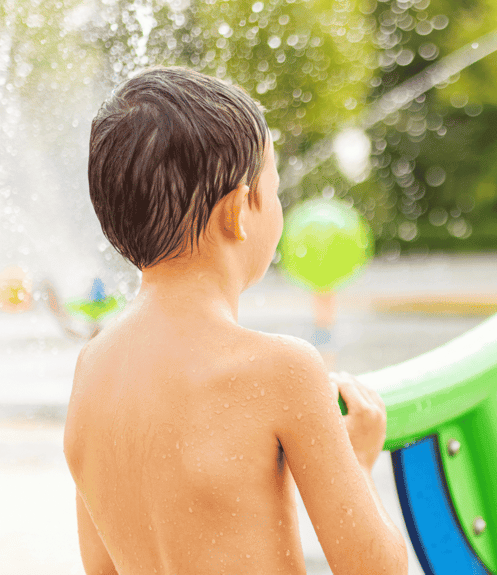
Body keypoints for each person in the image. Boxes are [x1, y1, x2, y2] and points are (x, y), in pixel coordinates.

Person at [63, 67, 408, 575]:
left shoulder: (92, 369)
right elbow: (376, 570)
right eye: (274, 189)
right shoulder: (281, 370)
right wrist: (357, 461)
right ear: (239, 211)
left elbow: (101, 568)